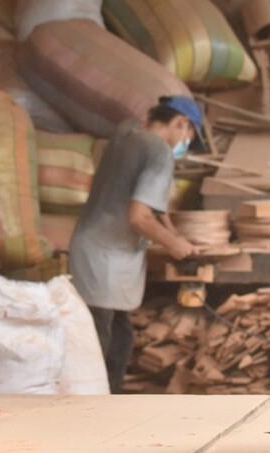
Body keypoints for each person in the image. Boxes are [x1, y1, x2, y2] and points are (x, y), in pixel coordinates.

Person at [69, 96, 204, 393]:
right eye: (188, 136)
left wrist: (175, 234)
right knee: (102, 347)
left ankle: (106, 405)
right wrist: (174, 245)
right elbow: (139, 217)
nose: (184, 143)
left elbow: (153, 204)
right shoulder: (159, 152)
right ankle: (92, 416)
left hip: (91, 248)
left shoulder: (126, 134)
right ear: (181, 123)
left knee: (119, 337)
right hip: (105, 259)